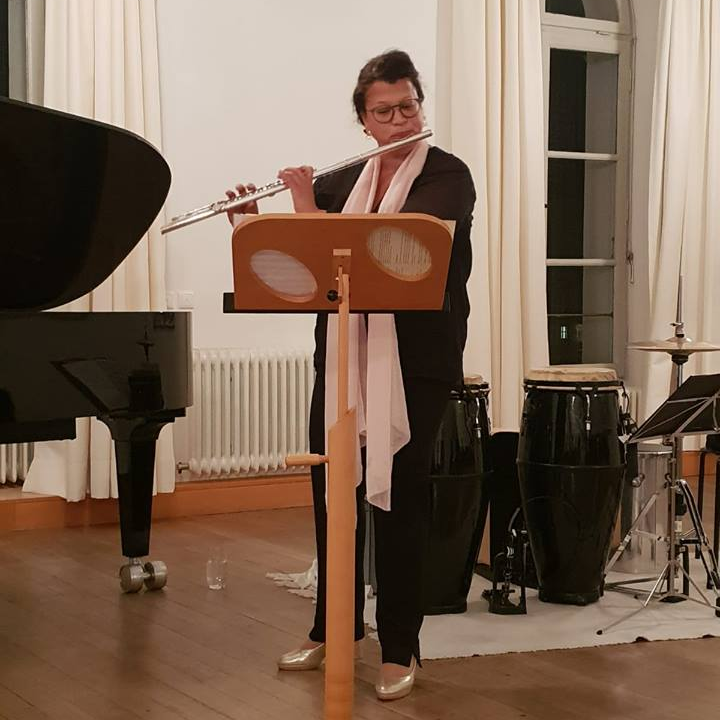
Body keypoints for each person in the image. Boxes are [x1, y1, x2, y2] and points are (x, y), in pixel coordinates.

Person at [227, 49, 476, 702]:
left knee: (400, 501)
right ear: (363, 121)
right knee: (332, 495)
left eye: (408, 107)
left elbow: (395, 252)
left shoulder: (447, 175)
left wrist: (303, 206)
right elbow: (301, 272)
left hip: (417, 363)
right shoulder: (343, 183)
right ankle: (332, 629)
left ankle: (399, 646)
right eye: (384, 112)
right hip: (342, 359)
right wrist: (253, 225)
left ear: (420, 105)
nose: (399, 121)